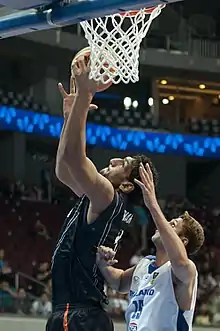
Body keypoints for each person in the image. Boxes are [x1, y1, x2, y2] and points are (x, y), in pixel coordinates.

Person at [46, 55, 158, 331]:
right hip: (79, 312)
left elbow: (73, 156)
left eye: (124, 164)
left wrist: (84, 97)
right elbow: (63, 169)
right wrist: (69, 116)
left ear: (128, 185)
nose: (115, 160)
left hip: (80, 314)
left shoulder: (107, 194)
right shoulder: (99, 198)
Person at [96, 163, 205, 331]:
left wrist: (152, 204)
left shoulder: (185, 271)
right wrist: (104, 264)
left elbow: (181, 262)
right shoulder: (145, 264)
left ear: (183, 241)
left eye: (172, 225)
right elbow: (119, 281)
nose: (164, 225)